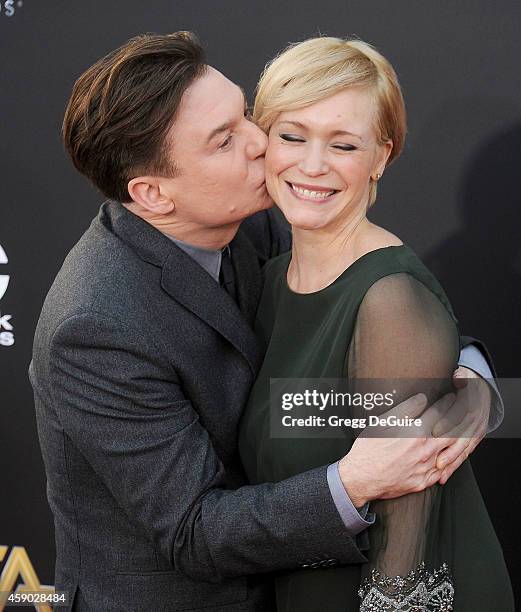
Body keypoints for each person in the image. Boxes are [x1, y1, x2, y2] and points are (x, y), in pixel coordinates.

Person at [29, 32, 502, 611]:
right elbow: (194, 532)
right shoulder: (95, 325)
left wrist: (472, 380)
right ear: (152, 194)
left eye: (247, 115)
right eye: (226, 140)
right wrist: (358, 480)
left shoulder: (257, 223)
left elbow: (377, 304)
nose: (263, 143)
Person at [238, 36, 514, 611]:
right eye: (292, 136)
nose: (312, 165)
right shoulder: (267, 280)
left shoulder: (390, 301)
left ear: (380, 158)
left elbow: (403, 545)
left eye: (343, 144)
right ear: (261, 138)